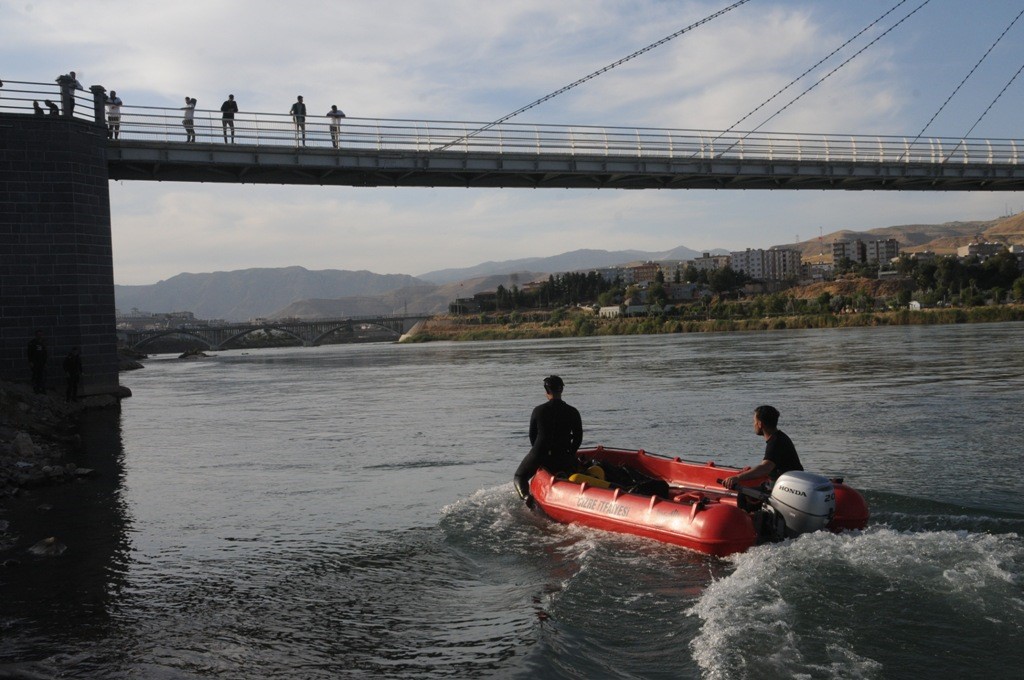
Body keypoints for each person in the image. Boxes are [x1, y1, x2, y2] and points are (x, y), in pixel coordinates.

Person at [513, 375, 584, 505]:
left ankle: (526, 497)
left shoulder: (538, 411)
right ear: (561, 390)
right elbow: (578, 438)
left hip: (540, 453)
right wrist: (570, 454)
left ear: (547, 391)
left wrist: (538, 454)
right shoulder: (573, 412)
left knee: (519, 476)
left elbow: (532, 435)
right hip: (563, 454)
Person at [721, 405, 803, 490]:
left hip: (789, 488)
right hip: (786, 485)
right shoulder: (779, 437)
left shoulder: (776, 442)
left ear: (760, 424)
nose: (754, 424)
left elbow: (765, 468)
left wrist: (738, 478)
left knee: (744, 495)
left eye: (754, 421)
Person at [26, 330, 47, 394]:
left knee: (41, 376)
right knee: (35, 375)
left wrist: (45, 362)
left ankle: (41, 389)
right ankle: (36, 389)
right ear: (36, 335)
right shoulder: (32, 343)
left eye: (41, 335)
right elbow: (29, 353)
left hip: (41, 362)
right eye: (38, 335)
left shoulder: (43, 342)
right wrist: (30, 362)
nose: (40, 336)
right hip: (35, 362)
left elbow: (45, 353)